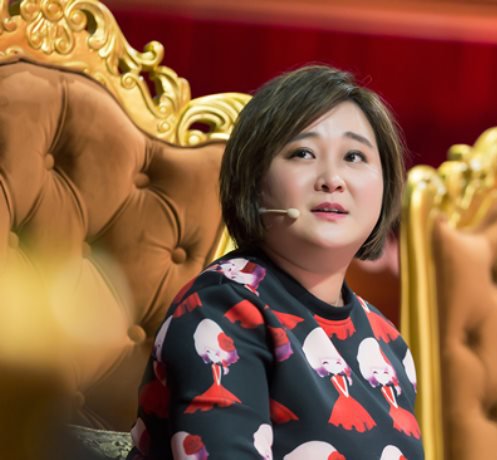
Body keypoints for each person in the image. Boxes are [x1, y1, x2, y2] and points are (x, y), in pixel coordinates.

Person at [127, 65, 423, 459]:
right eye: (303, 153)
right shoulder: (223, 309)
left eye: (354, 156)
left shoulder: (387, 342)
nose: (332, 179)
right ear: (254, 182)